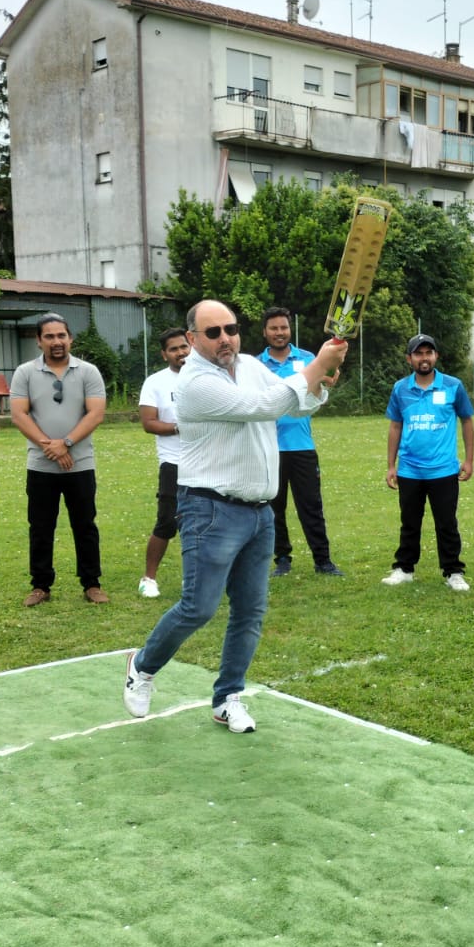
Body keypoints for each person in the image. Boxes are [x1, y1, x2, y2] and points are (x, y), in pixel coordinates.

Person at [124, 300, 347, 733]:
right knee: (199, 607)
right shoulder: (194, 383)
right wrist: (316, 363)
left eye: (230, 328)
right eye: (213, 332)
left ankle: (228, 697)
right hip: (209, 507)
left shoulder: (247, 364)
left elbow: (296, 406)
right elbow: (261, 406)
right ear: (192, 340)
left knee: (249, 610)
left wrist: (319, 382)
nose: (225, 338)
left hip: (258, 509)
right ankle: (143, 665)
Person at [9, 313, 109, 606]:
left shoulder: (88, 372)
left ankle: (91, 584)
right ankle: (41, 586)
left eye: (61, 335)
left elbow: (96, 414)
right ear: (39, 341)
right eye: (49, 336)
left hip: (81, 464)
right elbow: (19, 415)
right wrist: (50, 447)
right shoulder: (25, 372)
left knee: (85, 525)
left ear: (70, 338)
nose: (57, 342)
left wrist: (66, 443)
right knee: (40, 527)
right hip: (41, 466)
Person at [381, 333, 474, 591]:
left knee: (447, 523)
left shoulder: (453, 386)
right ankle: (404, 569)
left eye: (429, 353)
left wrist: (468, 460)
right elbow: (395, 426)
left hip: (444, 469)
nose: (424, 358)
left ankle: (453, 572)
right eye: (419, 353)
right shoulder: (400, 389)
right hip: (410, 468)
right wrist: (391, 465)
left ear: (436, 356)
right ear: (409, 358)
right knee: (409, 522)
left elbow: (467, 420)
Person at [257, 305, 343, 577]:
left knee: (311, 507)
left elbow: (320, 389)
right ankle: (282, 559)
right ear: (265, 332)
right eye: (274, 328)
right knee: (274, 509)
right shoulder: (255, 365)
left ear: (289, 329)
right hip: (269, 449)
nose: (279, 332)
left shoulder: (308, 359)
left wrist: (326, 382)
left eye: (283, 327)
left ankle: (323, 561)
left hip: (302, 448)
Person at [136, 327, 190, 598]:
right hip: (174, 462)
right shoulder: (156, 382)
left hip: (208, 461)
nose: (181, 352)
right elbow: (149, 423)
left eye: (183, 346)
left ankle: (193, 579)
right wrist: (182, 427)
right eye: (174, 349)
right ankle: (149, 578)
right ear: (164, 354)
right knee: (167, 521)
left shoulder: (208, 376)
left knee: (203, 523)